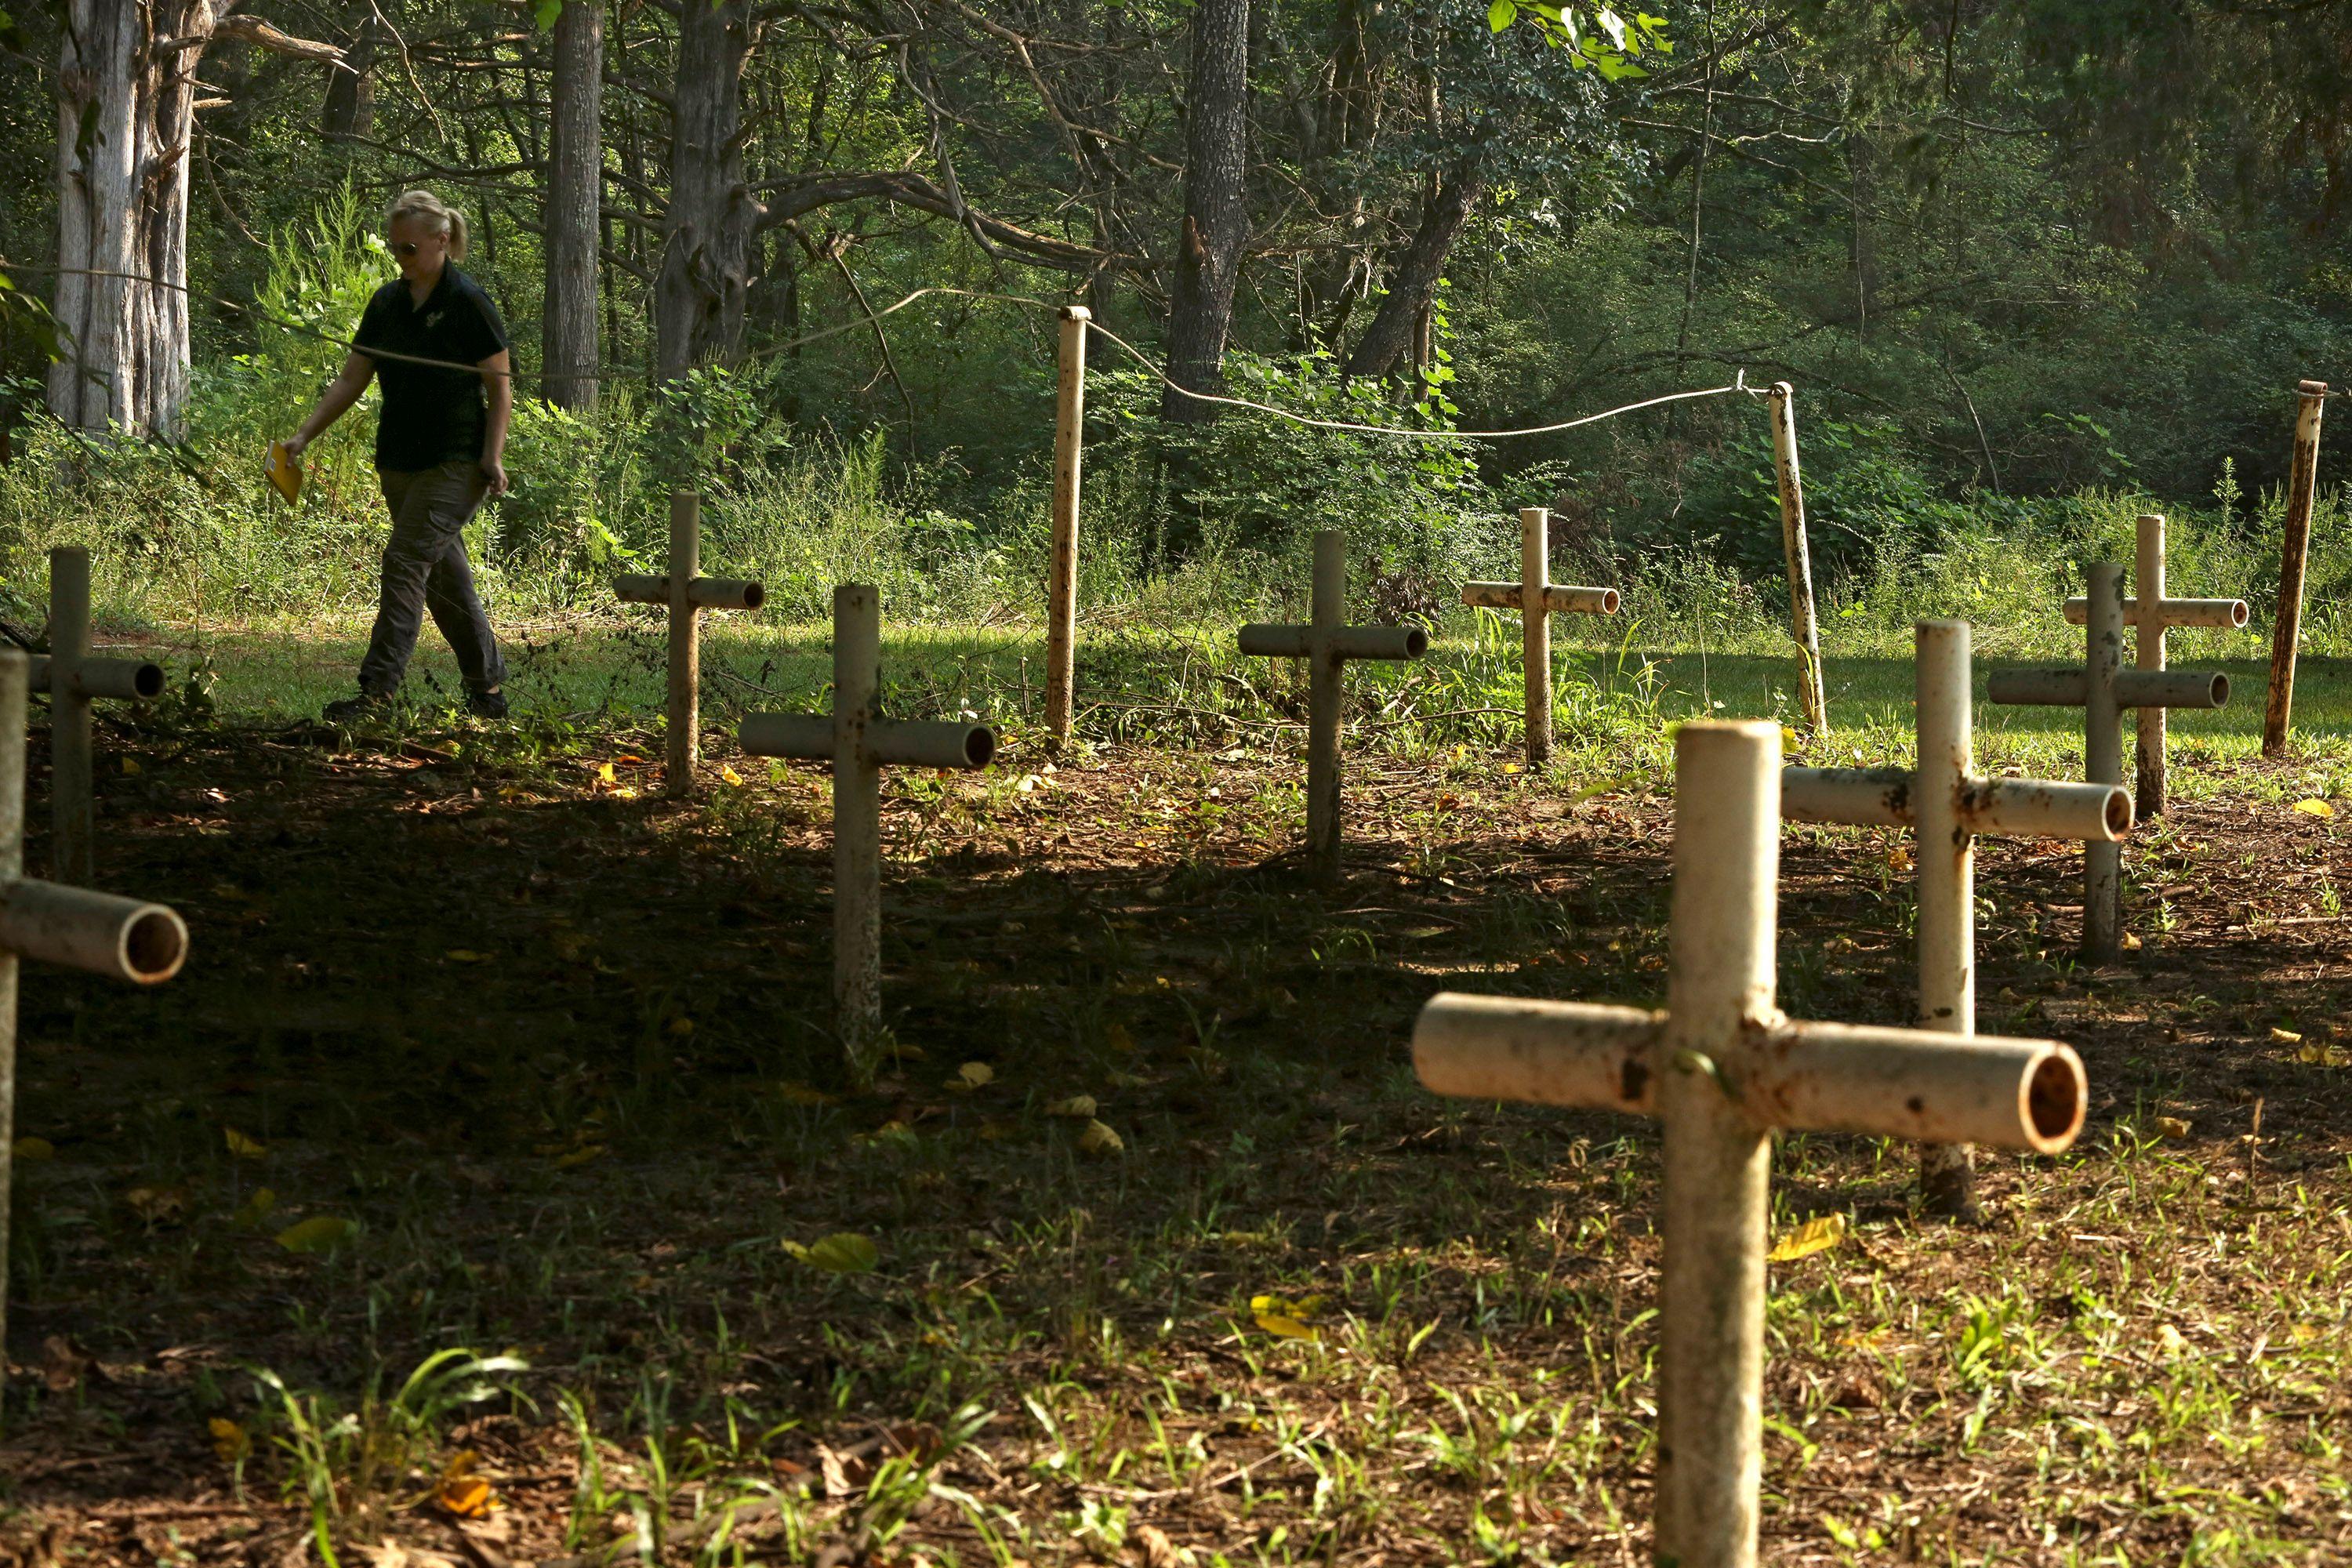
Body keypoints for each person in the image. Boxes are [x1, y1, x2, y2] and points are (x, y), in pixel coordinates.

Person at [284, 189, 514, 721]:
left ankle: (377, 694)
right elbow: (352, 378)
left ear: (442, 240)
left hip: (455, 460)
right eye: (396, 250)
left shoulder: (468, 301)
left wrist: (493, 456)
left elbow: (500, 387)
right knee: (442, 577)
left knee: (406, 561)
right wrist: (304, 436)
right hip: (399, 460)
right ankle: (488, 692)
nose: (401, 259)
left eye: (409, 249)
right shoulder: (387, 303)